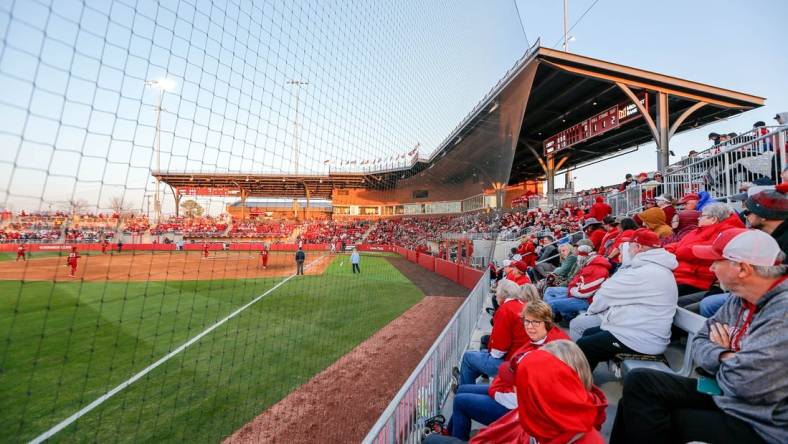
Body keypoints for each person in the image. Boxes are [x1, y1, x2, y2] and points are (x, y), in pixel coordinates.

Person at [610, 228, 787, 444]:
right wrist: (725, 356)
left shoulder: (782, 311)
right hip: (730, 395)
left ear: (742, 268)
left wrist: (720, 360)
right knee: (640, 383)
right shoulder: (739, 295)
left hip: (761, 422)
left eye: (716, 262)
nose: (711, 268)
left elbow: (744, 384)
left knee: (645, 411)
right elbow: (701, 340)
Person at [429, 341, 607, 444]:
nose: (529, 325)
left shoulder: (584, 437)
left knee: (432, 440)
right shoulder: (546, 412)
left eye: (527, 383)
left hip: (508, 404)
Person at [445, 299, 567, 440]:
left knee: (460, 401)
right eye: (527, 322)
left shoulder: (549, 351)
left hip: (518, 411)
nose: (530, 327)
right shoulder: (539, 340)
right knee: (462, 389)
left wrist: (495, 392)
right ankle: (448, 435)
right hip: (509, 391)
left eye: (536, 322)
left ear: (546, 322)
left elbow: (524, 399)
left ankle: (455, 439)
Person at [575, 229, 678, 369]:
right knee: (588, 334)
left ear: (638, 247)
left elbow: (604, 294)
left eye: (629, 248)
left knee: (585, 345)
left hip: (642, 339)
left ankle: (580, 385)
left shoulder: (644, 272)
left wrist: (624, 267)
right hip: (641, 331)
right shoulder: (657, 268)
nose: (627, 252)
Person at [456, 280, 528, 385]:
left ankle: (463, 389)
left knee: (468, 357)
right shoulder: (521, 304)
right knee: (480, 354)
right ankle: (463, 380)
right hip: (520, 359)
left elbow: (497, 352)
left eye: (497, 292)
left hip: (511, 365)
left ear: (503, 294)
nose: (496, 294)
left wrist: (487, 356)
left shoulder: (505, 309)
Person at [664, 202, 743, 298]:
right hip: (681, 275)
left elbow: (692, 252)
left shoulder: (725, 232)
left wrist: (678, 250)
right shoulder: (699, 230)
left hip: (696, 280)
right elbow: (678, 245)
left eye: (702, 216)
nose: (698, 218)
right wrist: (670, 249)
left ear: (713, 219)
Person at [544, 245, 611, 321]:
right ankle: (561, 314)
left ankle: (562, 316)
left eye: (578, 254)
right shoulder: (590, 266)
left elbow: (583, 292)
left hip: (586, 300)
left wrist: (571, 289)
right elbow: (576, 281)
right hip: (576, 293)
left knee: (551, 304)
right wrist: (572, 287)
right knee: (550, 291)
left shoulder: (598, 270)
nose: (577, 256)